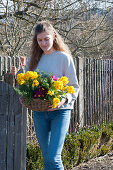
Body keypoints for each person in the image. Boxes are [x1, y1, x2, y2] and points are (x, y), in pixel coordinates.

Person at [25, 21, 79, 170]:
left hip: (60, 113)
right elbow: (26, 87)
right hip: (39, 113)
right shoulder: (32, 61)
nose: (43, 43)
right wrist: (24, 97)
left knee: (54, 157)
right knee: (46, 157)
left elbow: (74, 87)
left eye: (46, 39)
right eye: (39, 40)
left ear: (54, 36)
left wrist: (64, 99)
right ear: (36, 40)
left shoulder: (64, 58)